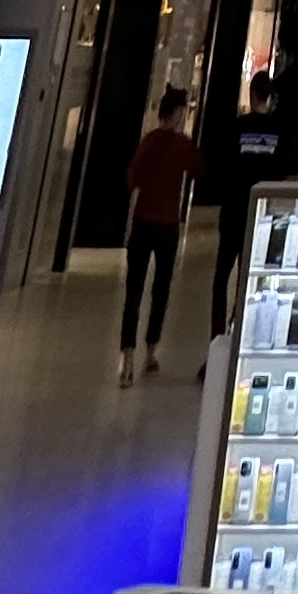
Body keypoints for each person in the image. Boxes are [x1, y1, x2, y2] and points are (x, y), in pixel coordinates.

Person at [119, 83, 198, 387]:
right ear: (177, 113)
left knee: (133, 291)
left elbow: (132, 177)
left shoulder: (149, 141)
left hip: (143, 222)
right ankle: (151, 351)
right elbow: (200, 169)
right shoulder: (182, 145)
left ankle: (127, 357)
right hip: (167, 225)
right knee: (160, 291)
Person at [209, 69, 282, 338]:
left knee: (221, 279)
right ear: (270, 97)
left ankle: (218, 337)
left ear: (252, 94)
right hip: (260, 218)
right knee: (246, 278)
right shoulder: (278, 130)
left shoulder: (237, 127)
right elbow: (280, 175)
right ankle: (237, 329)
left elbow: (223, 168)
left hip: (233, 213)